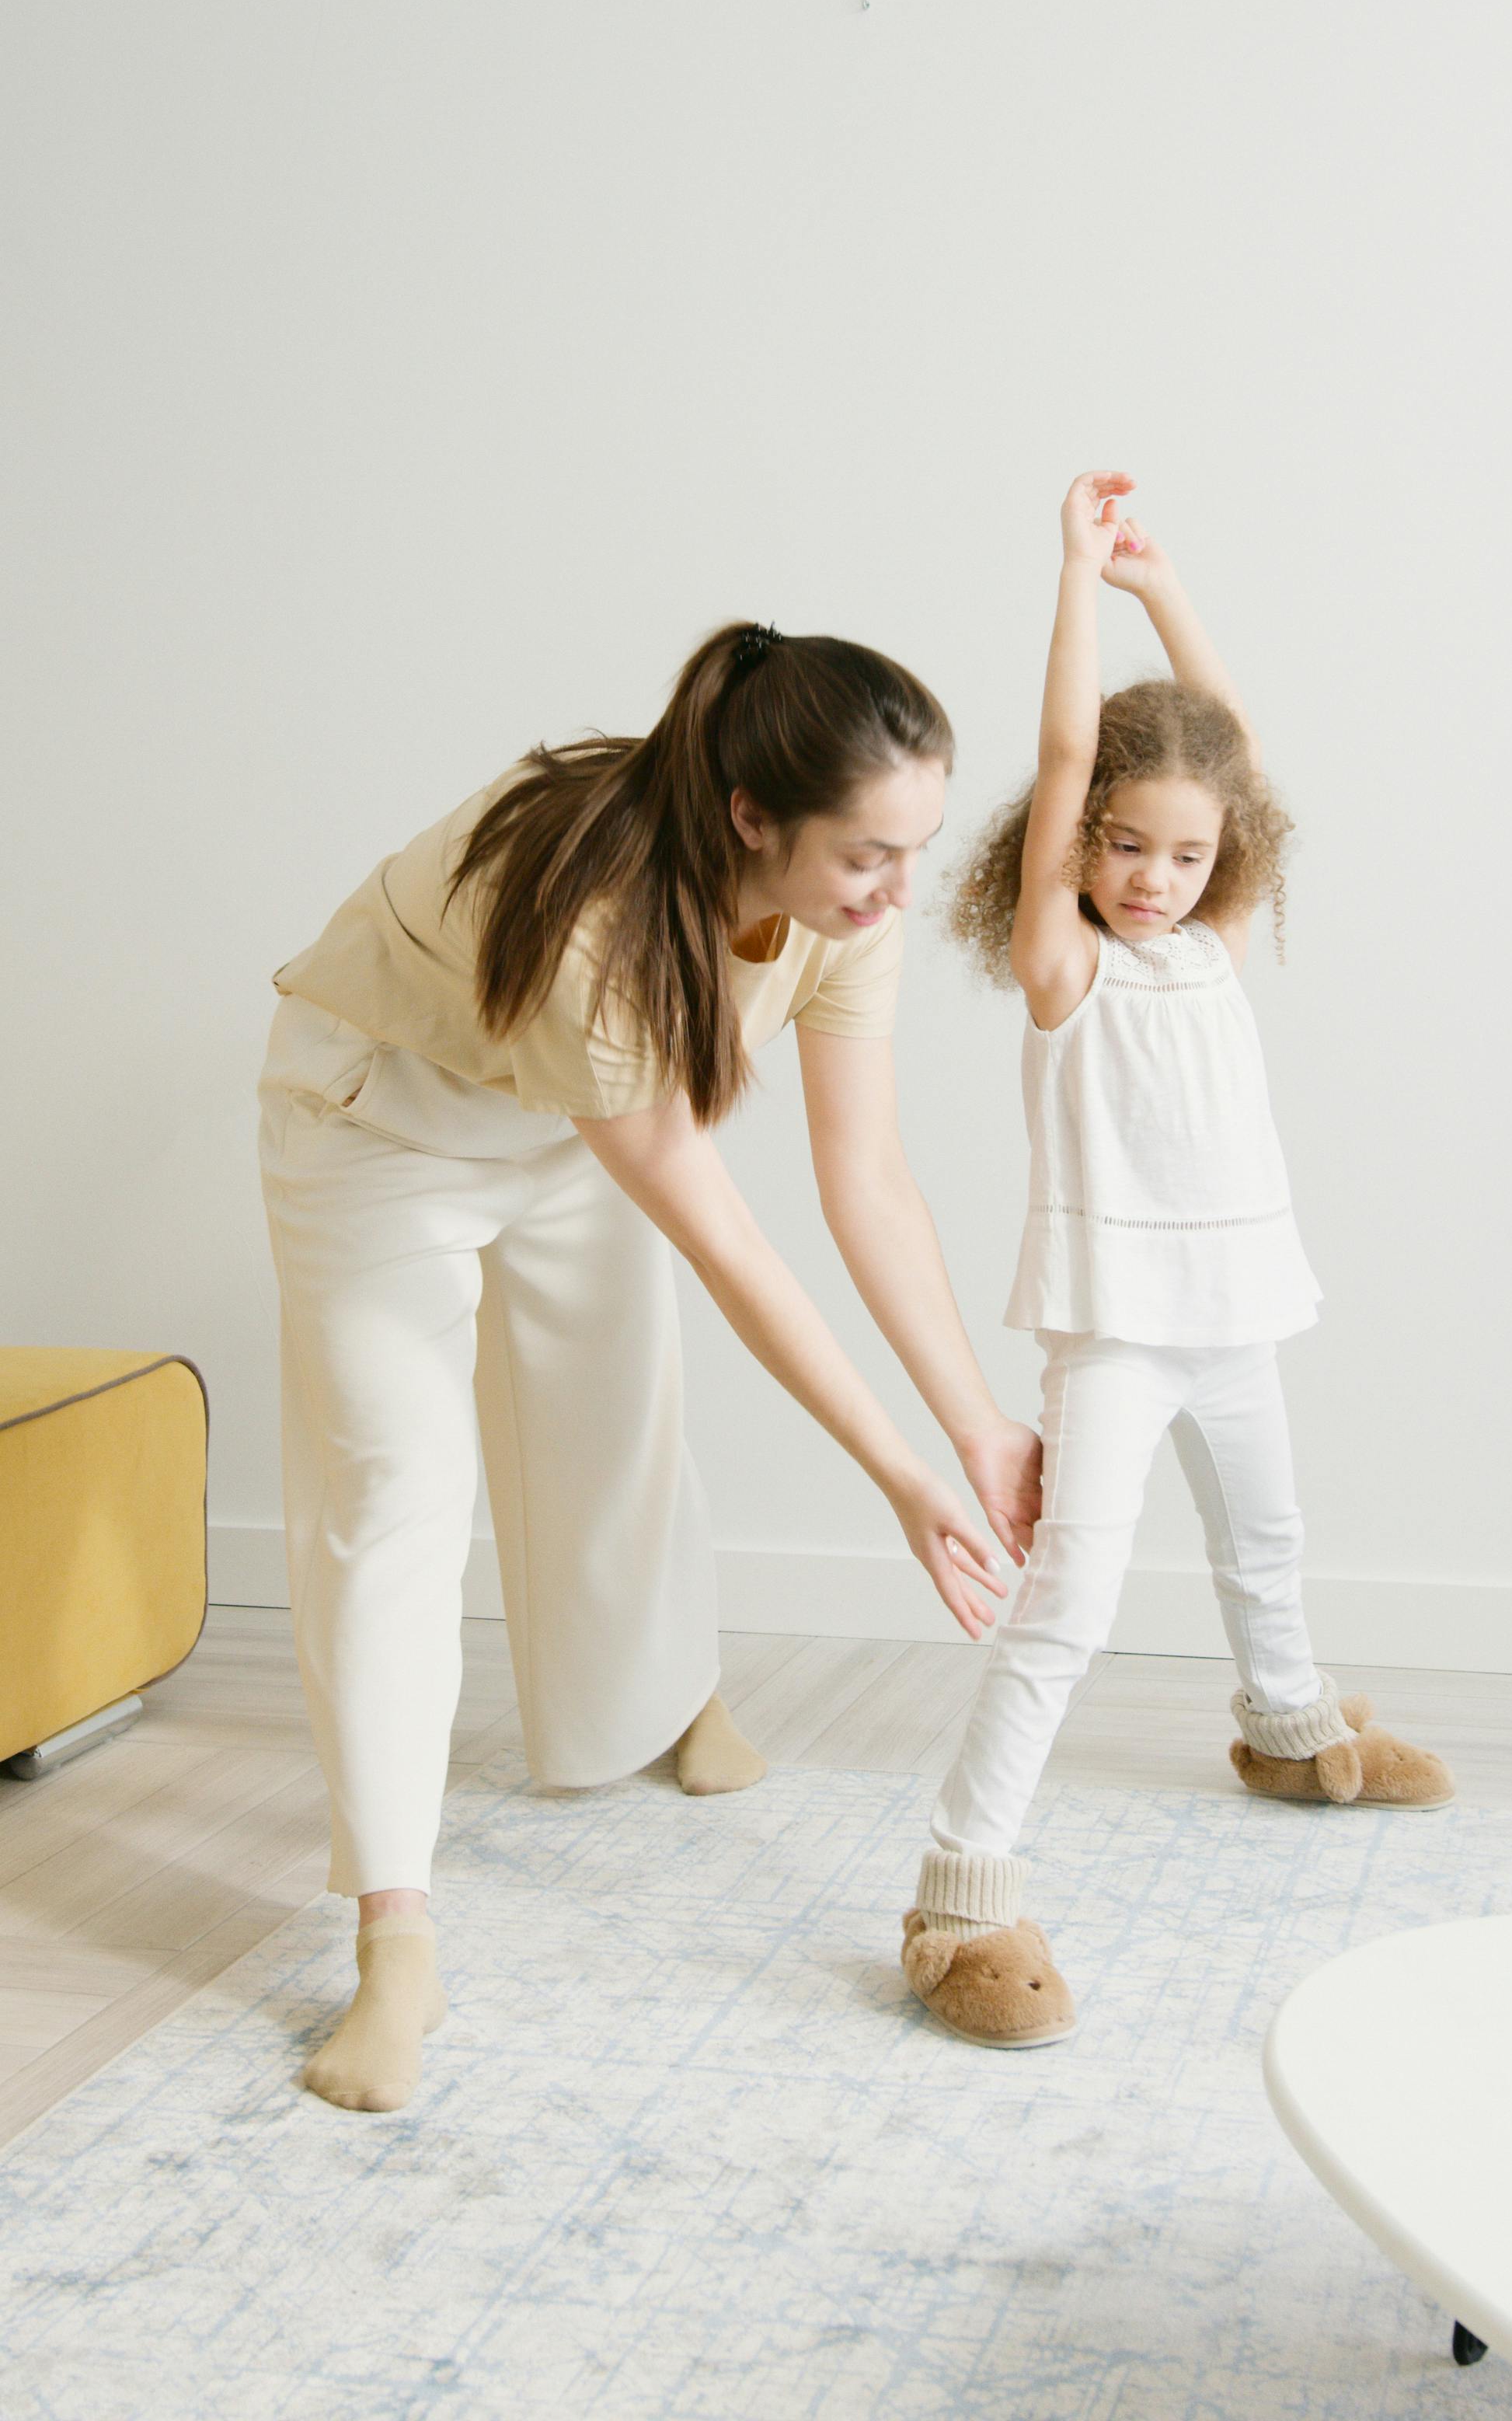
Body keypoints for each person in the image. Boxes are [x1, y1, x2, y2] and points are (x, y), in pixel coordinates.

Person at [260, 620, 1042, 2112]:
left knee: (616, 1421)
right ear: (754, 816)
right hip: (379, 1125)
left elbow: (865, 1182)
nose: (900, 891)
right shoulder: (604, 921)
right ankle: (394, 1935)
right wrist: (896, 1475)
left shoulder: (835, 920)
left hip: (563, 1121)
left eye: (917, 847)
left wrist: (979, 1426)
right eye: (872, 854)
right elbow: (731, 1246)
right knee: (397, 1497)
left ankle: (664, 1696)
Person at [897, 477, 1452, 2050]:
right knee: (1069, 1601)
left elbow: (1237, 755)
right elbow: (1074, 754)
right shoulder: (1062, 963)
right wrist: (1079, 580)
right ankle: (960, 1889)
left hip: (1237, 1310)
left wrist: (1169, 589)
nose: (1153, 876)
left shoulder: (1209, 939)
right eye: (1124, 849)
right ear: (1077, 850)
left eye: (1184, 857)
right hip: (1119, 1332)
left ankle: (1287, 1728)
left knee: (1267, 1536)